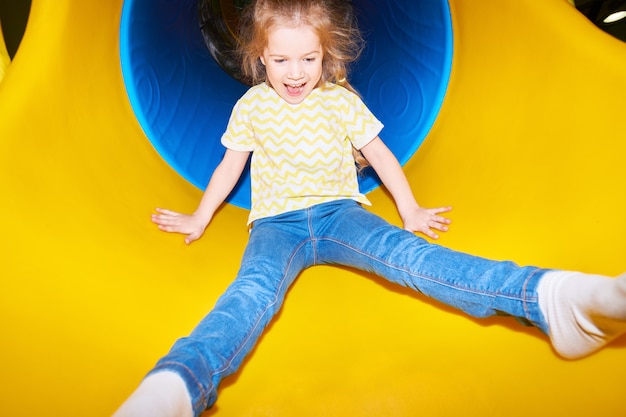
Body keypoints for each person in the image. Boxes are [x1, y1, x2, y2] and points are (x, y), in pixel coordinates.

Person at [113, 0, 626, 416]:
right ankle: (176, 387)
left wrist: (411, 210)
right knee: (250, 294)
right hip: (275, 225)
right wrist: (200, 217)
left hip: (341, 214)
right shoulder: (251, 106)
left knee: (413, 260)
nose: (296, 74)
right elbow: (230, 167)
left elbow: (379, 155)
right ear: (259, 57)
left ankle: (552, 299)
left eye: (308, 59)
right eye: (282, 60)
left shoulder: (339, 100)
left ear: (325, 55)